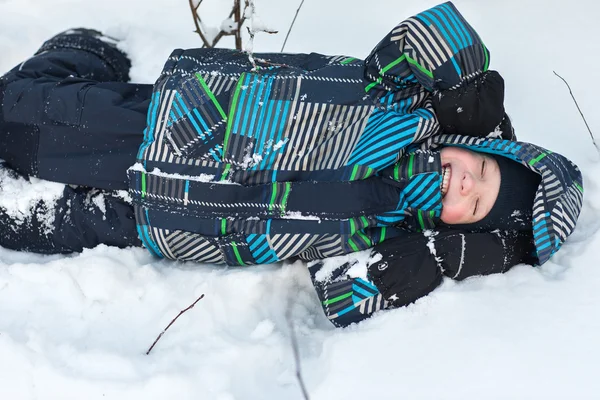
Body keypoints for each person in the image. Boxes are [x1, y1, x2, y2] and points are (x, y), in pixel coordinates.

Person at [0, 2, 583, 327]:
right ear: (482, 146)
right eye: (481, 167)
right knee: (19, 118)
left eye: (474, 201)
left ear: (461, 227)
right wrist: (468, 80)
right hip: (171, 124)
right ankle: (85, 51)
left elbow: (343, 295)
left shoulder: (395, 235)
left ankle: (75, 61)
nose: (465, 180)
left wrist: (447, 260)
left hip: (162, 220)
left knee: (18, 220)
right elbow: (428, 34)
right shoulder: (413, 107)